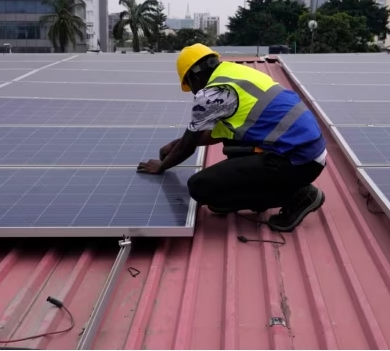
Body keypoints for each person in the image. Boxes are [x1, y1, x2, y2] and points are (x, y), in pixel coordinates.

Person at [137, 44, 326, 232]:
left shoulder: (212, 93)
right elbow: (217, 132)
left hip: (296, 161)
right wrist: (175, 144)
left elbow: (187, 148)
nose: (194, 93)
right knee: (231, 145)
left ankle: (299, 195)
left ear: (194, 76)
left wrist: (162, 165)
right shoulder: (236, 73)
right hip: (306, 152)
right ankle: (243, 196)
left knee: (200, 187)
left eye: (191, 86)